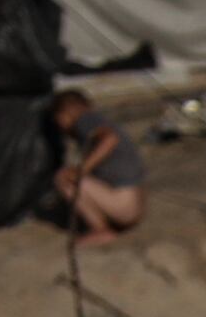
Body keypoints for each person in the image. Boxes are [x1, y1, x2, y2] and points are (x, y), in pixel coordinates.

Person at [49, 91, 147, 243]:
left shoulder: (85, 120)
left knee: (63, 178)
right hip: (133, 204)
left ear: (64, 114)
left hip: (124, 206)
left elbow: (110, 139)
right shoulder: (99, 120)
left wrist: (81, 171)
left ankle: (100, 229)